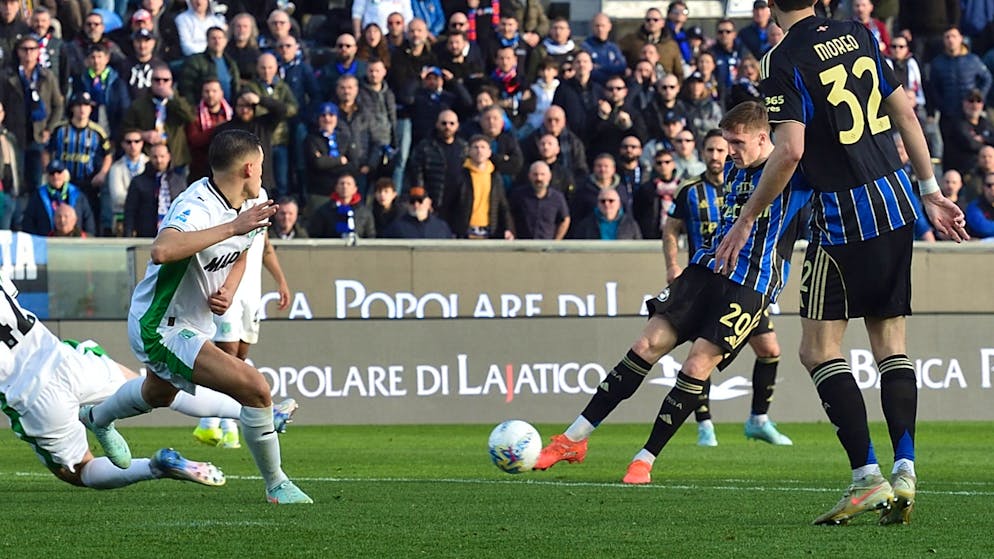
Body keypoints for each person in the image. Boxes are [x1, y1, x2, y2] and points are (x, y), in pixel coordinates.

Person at [713, 1, 968, 526]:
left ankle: (866, 478)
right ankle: (905, 470)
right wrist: (931, 191)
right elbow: (905, 114)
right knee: (890, 343)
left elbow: (788, 152)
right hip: (897, 204)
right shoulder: (860, 32)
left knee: (816, 350)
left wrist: (745, 221)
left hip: (844, 214)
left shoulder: (780, 59)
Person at [534, 102, 809, 487]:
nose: (729, 150)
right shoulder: (732, 169)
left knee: (697, 366)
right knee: (646, 344)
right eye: (725, 141)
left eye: (737, 142)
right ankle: (572, 439)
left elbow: (799, 151)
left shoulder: (793, 171)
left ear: (764, 138)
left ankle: (644, 459)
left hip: (751, 285)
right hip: (704, 270)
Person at [79, 129, 313, 505]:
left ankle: (95, 418)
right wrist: (233, 227)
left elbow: (244, 246)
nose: (263, 175)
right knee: (254, 387)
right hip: (161, 325)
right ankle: (276, 484)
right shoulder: (195, 206)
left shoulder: (256, 202)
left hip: (194, 319)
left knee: (158, 391)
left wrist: (230, 288)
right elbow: (162, 250)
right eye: (262, 167)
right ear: (250, 167)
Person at [0, 270, 230, 491]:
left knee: (80, 471)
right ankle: (248, 410)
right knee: (152, 389)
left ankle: (155, 467)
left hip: (30, 394)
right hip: (66, 362)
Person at [664, 129, 793, 447]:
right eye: (710, 150)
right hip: (708, 280)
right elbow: (671, 228)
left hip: (746, 282)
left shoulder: (752, 182)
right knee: (701, 354)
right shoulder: (691, 191)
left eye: (723, 149)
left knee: (769, 349)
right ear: (702, 153)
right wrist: (672, 265)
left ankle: (758, 419)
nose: (717, 155)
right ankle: (704, 424)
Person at [194, 184, 291, 450]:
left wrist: (281, 281)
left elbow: (266, 245)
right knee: (227, 355)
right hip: (228, 287)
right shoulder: (225, 197)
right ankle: (214, 422)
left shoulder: (260, 197)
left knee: (240, 358)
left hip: (252, 292)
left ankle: (220, 424)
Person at [448, 135, 515, 239]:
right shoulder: (460, 175)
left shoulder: (495, 177)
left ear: (489, 152)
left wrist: (508, 228)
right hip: (464, 232)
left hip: (489, 231)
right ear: (469, 151)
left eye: (483, 147)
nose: (479, 150)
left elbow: (502, 205)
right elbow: (449, 203)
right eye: (475, 147)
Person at [122, 143, 187, 238]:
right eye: (155, 157)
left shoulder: (179, 181)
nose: (159, 160)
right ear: (150, 158)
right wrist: (128, 235)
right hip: (146, 235)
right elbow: (130, 211)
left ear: (168, 157)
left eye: (162, 156)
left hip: (174, 235)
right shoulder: (138, 182)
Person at [22, 160, 97, 237]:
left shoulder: (78, 195)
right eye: (52, 173)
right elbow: (28, 222)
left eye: (59, 172)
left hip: (75, 242)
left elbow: (88, 220)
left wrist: (86, 238)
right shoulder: (38, 196)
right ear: (47, 176)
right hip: (46, 243)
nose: (55, 176)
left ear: (65, 174)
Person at [509, 161, 570, 240]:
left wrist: (556, 241)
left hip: (547, 248)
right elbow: (510, 216)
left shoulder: (557, 198)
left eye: (542, 174)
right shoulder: (518, 195)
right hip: (523, 246)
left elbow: (565, 220)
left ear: (549, 177)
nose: (539, 178)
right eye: (535, 174)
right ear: (529, 176)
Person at [104, 131, 148, 236]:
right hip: (122, 217)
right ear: (123, 145)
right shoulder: (116, 167)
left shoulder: (149, 164)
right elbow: (117, 197)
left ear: (142, 143)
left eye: (136, 141)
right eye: (128, 142)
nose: (133, 145)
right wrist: (141, 200)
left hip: (146, 218)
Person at [308, 173, 376, 240]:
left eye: (348, 184)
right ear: (336, 188)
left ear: (355, 189)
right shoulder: (324, 211)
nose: (345, 186)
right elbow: (315, 235)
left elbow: (371, 236)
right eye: (342, 183)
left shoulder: (364, 212)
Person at [567, 186, 642, 240]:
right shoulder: (586, 225)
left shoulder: (631, 224)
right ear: (598, 204)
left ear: (619, 204)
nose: (606, 204)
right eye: (603, 201)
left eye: (611, 201)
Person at [381, 185, 454, 238]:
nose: (416, 205)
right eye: (412, 201)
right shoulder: (395, 228)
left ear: (428, 203)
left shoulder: (441, 227)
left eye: (420, 201)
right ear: (407, 204)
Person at [965, 172, 994, 238]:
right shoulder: (974, 207)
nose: (992, 188)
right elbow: (984, 228)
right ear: (983, 187)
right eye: (989, 185)